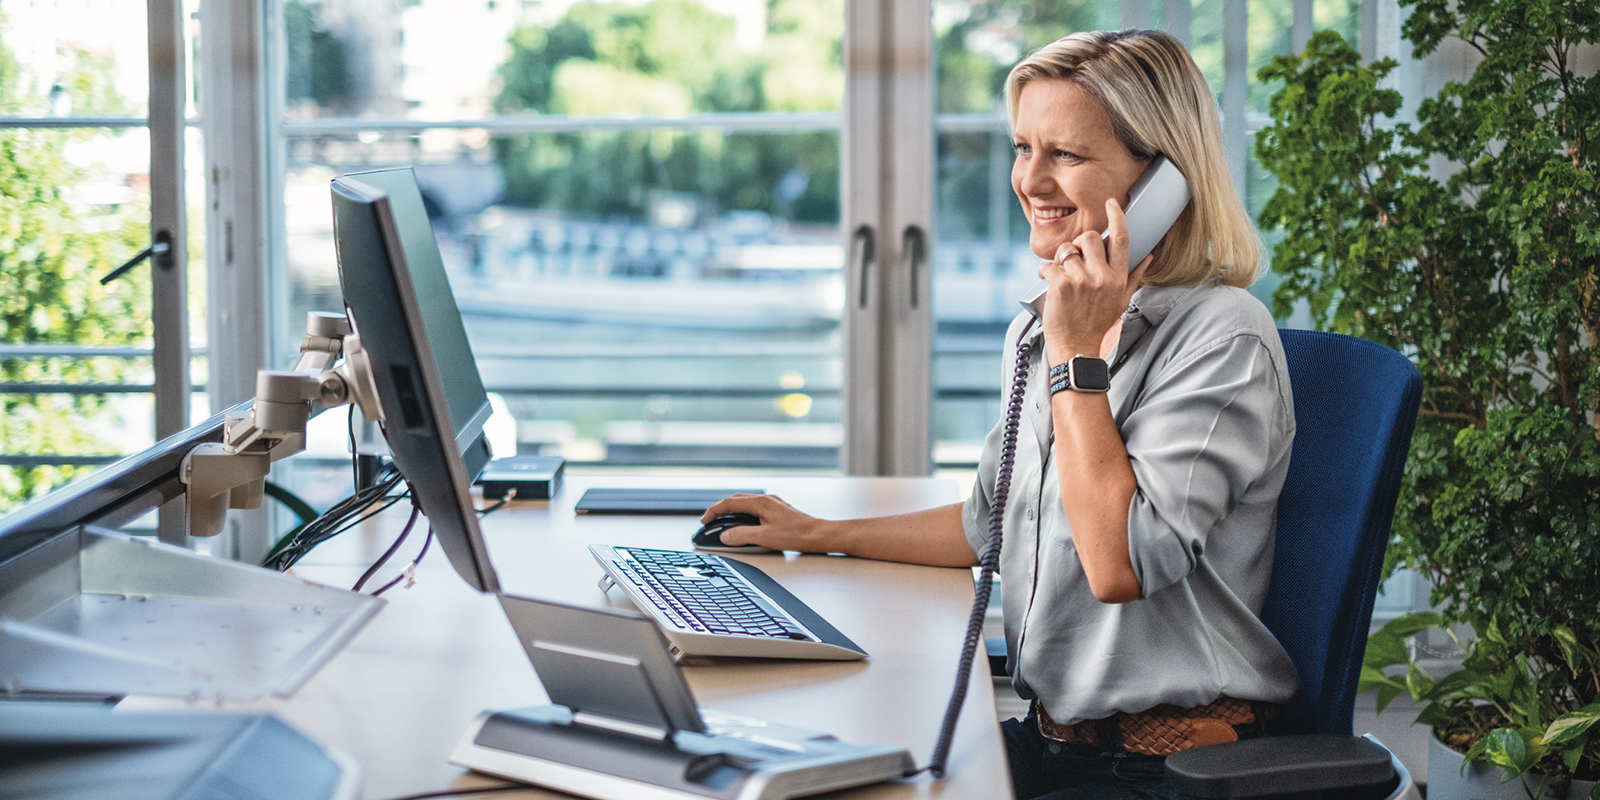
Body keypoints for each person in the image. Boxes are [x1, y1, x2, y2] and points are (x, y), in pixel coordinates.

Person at [702, 28, 1299, 800]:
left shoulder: (1223, 335)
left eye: (1067, 155)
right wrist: (818, 534)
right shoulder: (1050, 321)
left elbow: (1120, 563)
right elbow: (991, 522)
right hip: (1049, 740)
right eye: (1024, 148)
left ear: (1166, 181)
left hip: (1168, 769)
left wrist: (1076, 361)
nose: (1031, 180)